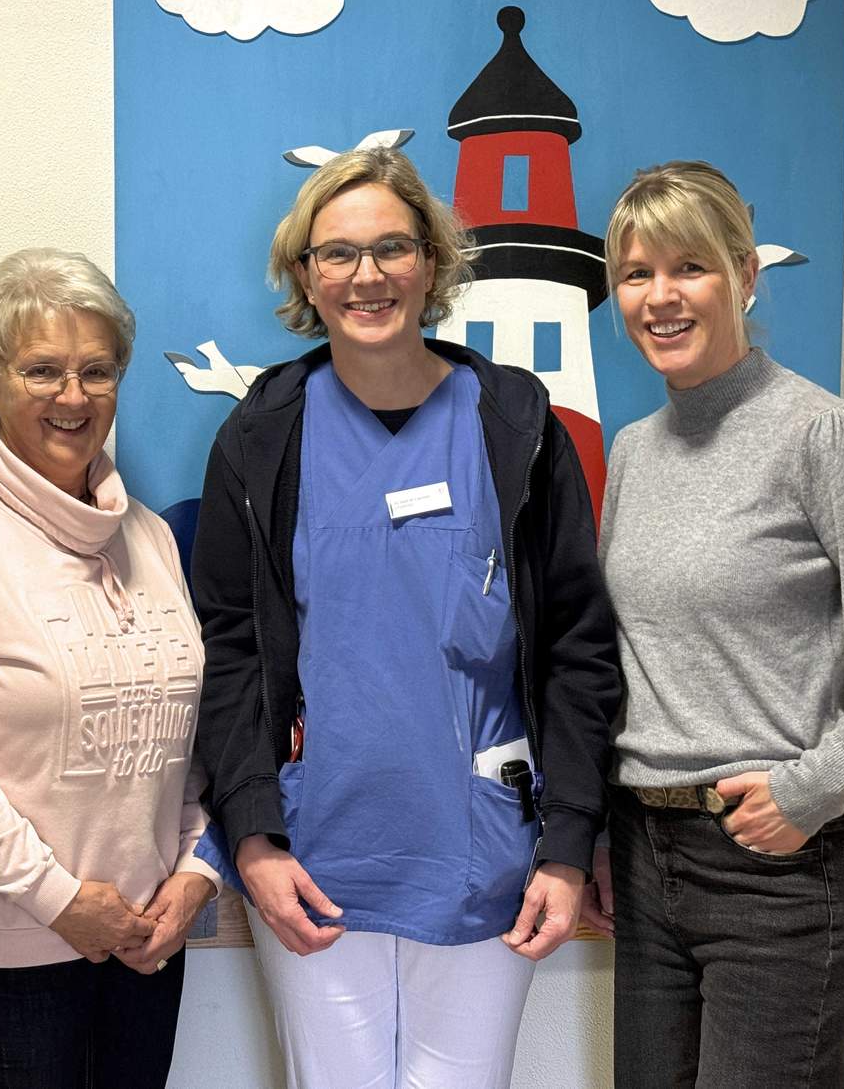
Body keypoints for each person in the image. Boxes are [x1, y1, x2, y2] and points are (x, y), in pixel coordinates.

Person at [190, 146, 620, 1088]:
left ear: (432, 262)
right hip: (312, 857)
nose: (367, 275)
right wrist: (252, 836)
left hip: (488, 856)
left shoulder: (515, 427)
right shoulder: (261, 439)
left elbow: (577, 650)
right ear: (306, 274)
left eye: (392, 247)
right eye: (338, 253)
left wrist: (568, 843)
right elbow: (230, 650)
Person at [587, 160, 844, 1087]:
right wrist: (602, 830)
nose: (660, 297)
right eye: (636, 274)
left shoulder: (823, 436)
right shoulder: (633, 453)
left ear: (745, 274)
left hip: (776, 878)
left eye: (690, 267)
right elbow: (634, 664)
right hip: (645, 860)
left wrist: (812, 787)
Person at [0, 247, 220, 1088]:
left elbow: (188, 738)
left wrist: (198, 872)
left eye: (97, 371)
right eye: (42, 371)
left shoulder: (150, 537)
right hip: (4, 956)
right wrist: (60, 900)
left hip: (146, 939)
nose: (73, 396)